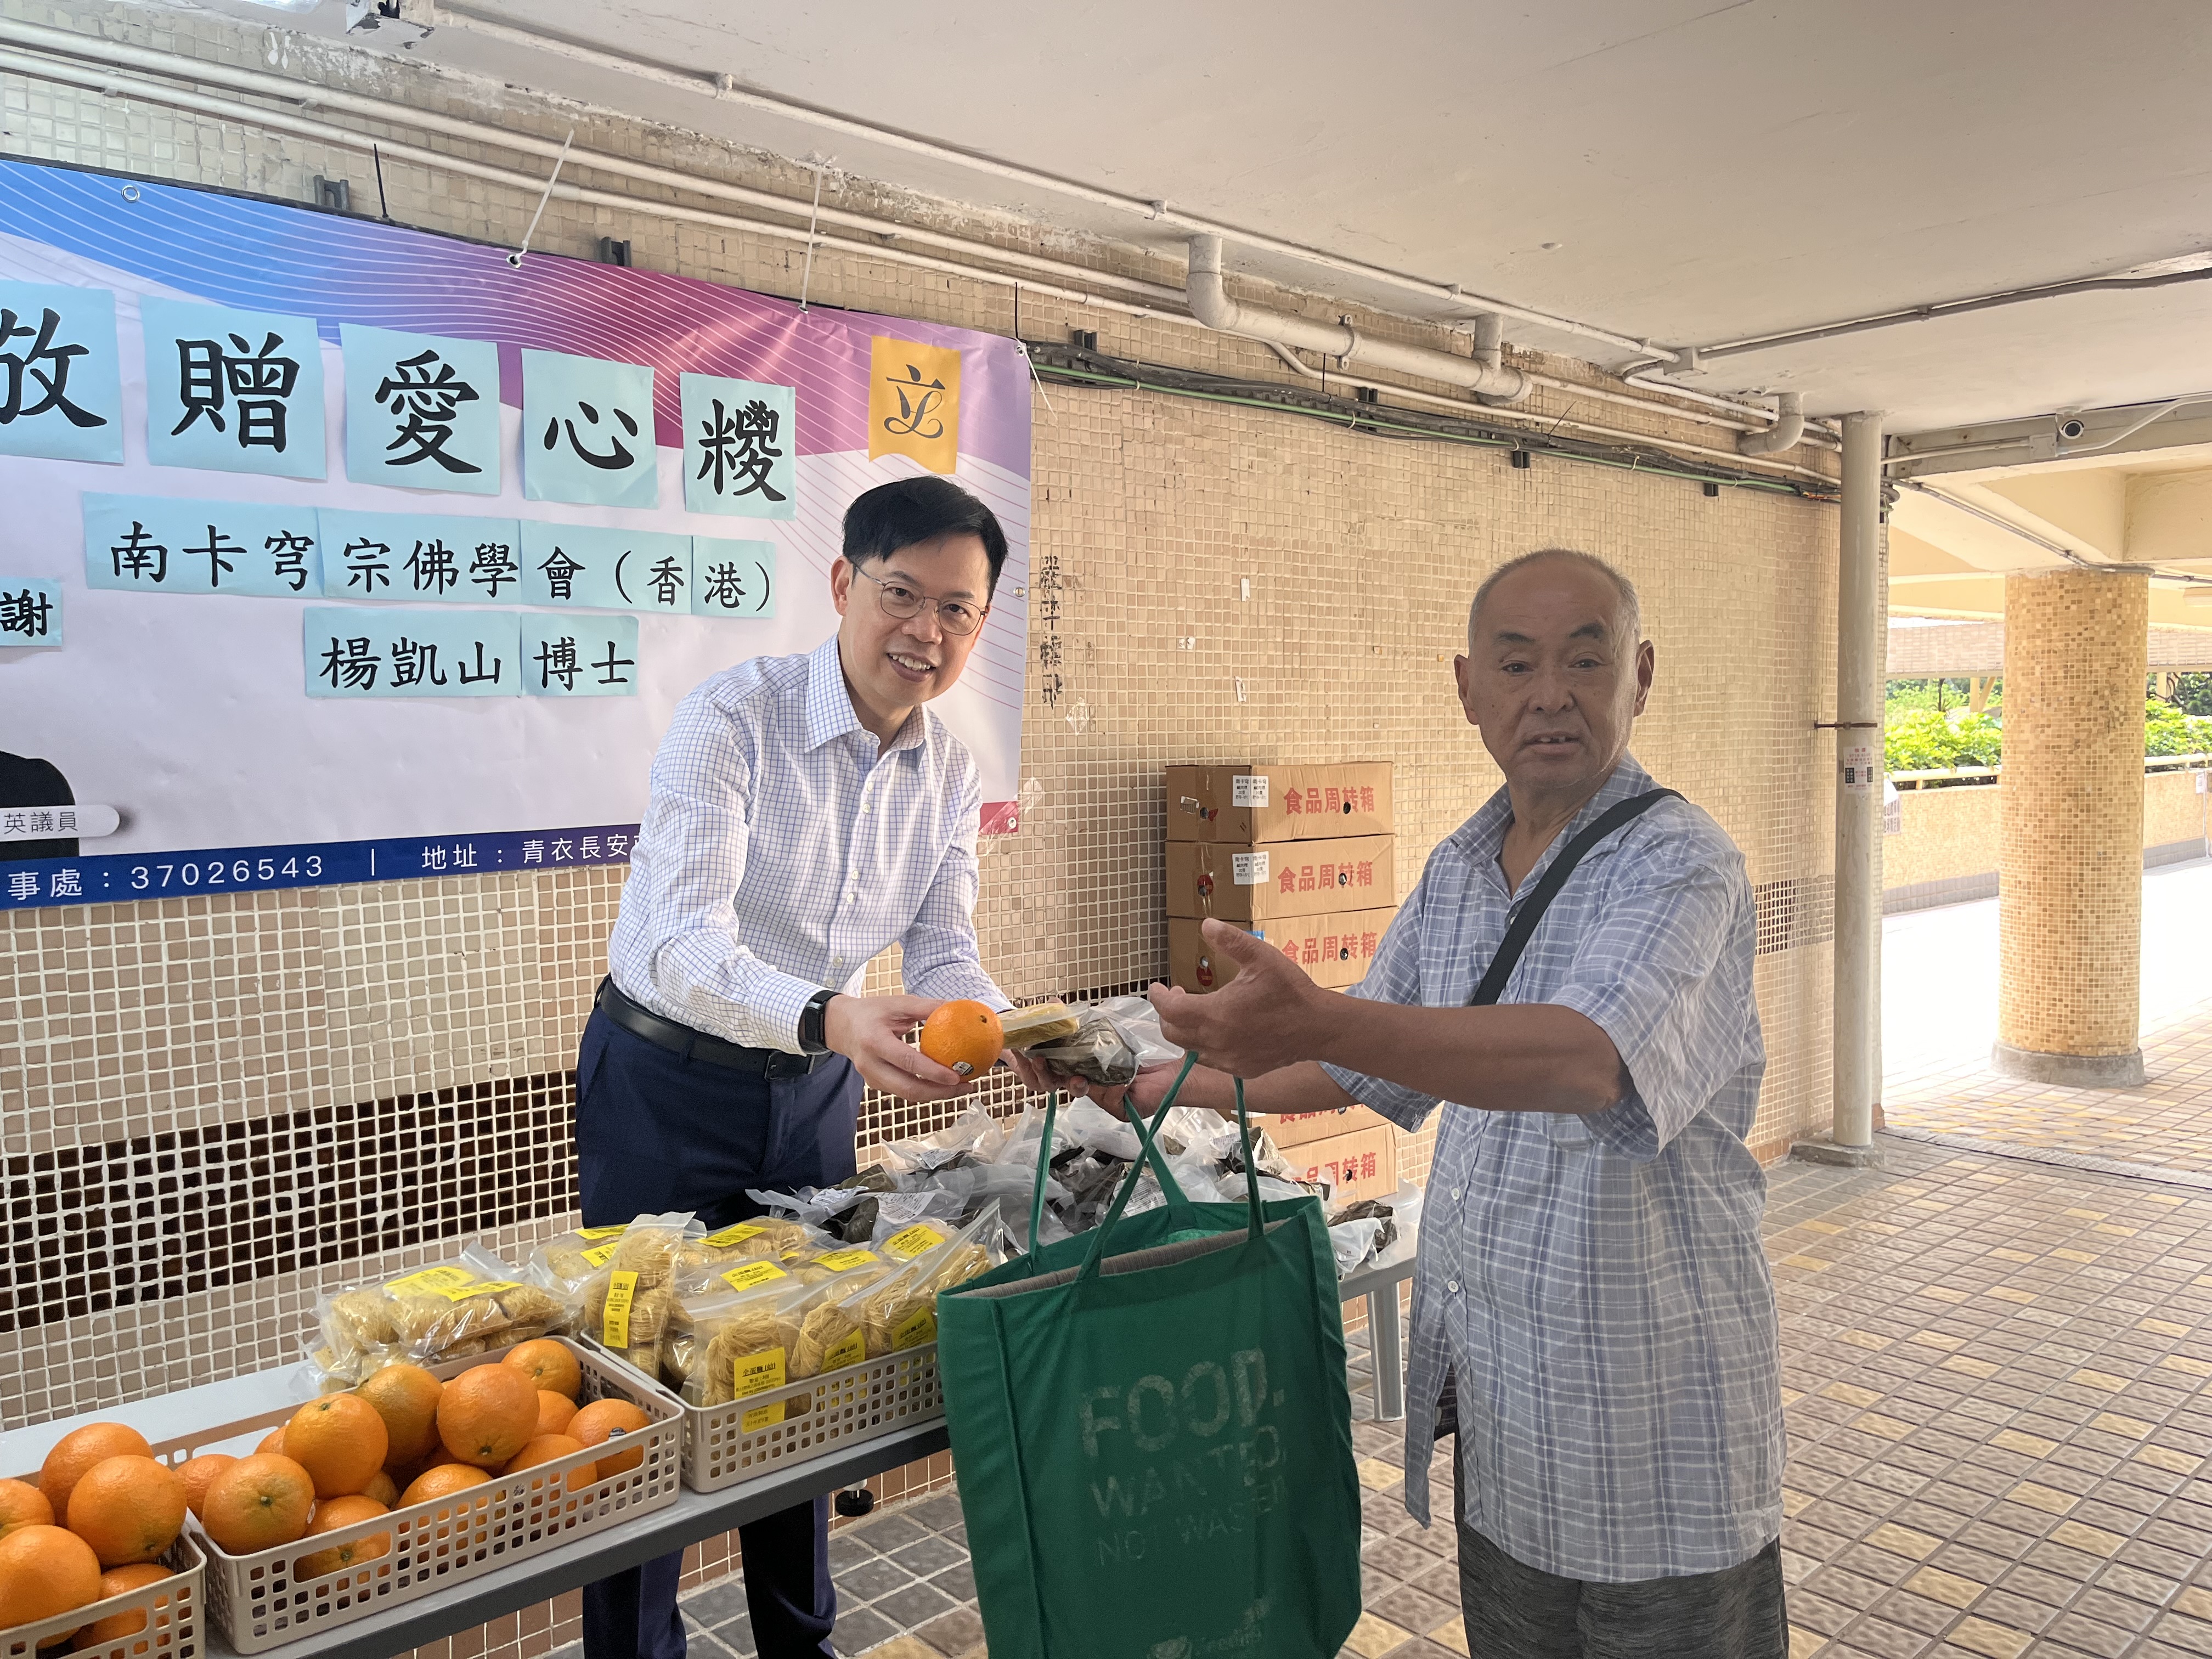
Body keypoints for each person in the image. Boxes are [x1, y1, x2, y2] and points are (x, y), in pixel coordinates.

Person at [1136, 549, 1786, 1659]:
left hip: (1652, 1431)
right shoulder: (1458, 869)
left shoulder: (1682, 863)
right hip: (1511, 1426)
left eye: (1586, 660)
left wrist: (1319, 1018)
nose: (1551, 695)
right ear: (1467, 688)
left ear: (1641, 676)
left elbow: (1587, 1060)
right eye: (1517, 664)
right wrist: (1151, 1085)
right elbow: (1359, 1063)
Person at [577, 476, 1048, 1659]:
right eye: (902, 594)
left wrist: (1021, 1033)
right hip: (665, 1084)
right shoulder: (732, 720)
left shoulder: (949, 770)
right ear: (843, 584)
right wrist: (830, 1015)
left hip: (812, 1094)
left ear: (981, 623)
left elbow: (944, 951)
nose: (926, 632)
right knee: (642, 1388)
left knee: (797, 1368)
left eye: (957, 609)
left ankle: (801, 1644)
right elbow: (680, 943)